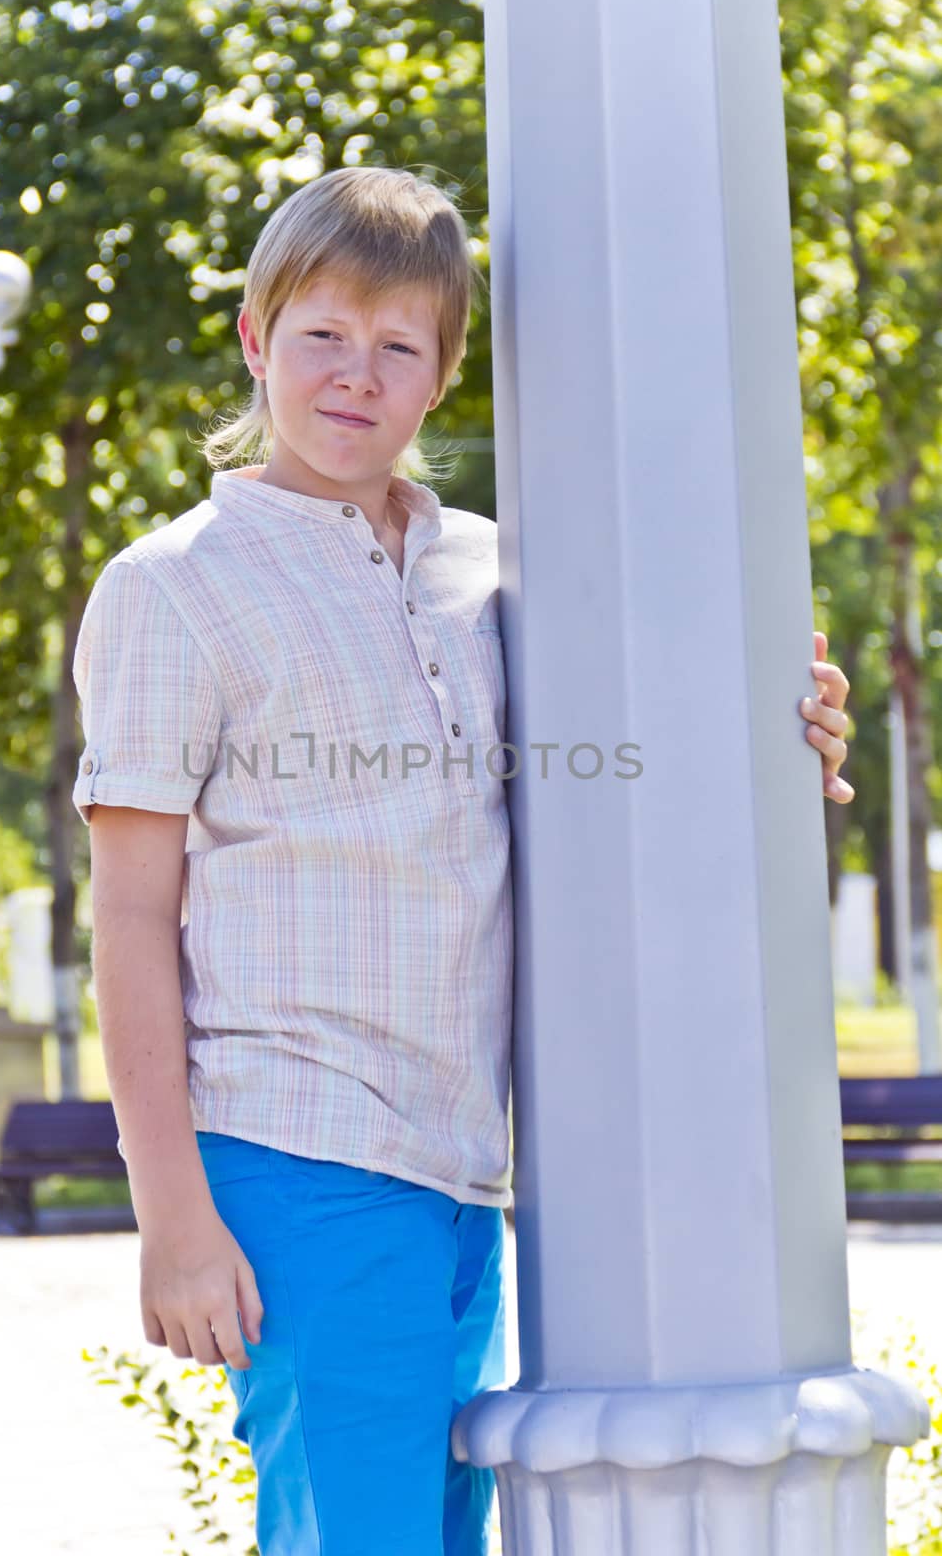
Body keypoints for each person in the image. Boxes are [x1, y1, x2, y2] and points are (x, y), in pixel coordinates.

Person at [70, 164, 854, 1556]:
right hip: (291, 1146)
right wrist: (173, 1215)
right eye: (322, 334)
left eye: (398, 347)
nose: (354, 376)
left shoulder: (496, 572)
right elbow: (128, 913)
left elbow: (640, 772)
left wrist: (791, 734)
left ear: (442, 377)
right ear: (257, 340)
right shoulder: (173, 583)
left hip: (463, 1166)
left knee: (432, 1533)